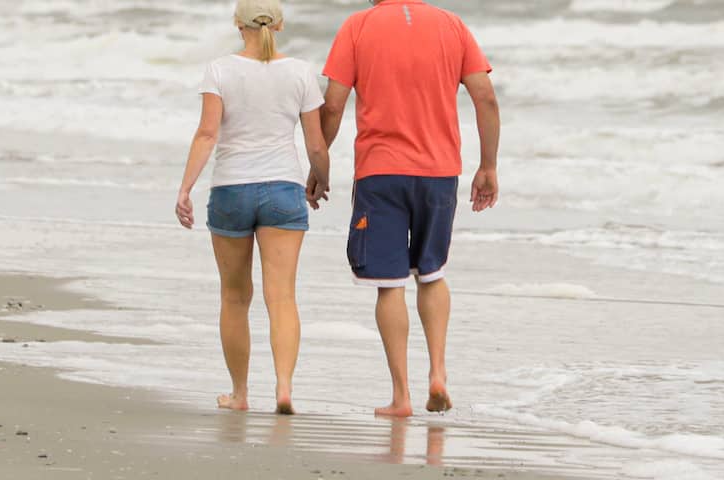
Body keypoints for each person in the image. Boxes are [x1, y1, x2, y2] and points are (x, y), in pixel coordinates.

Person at [318, 0, 501, 418]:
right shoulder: (452, 25)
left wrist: (319, 160)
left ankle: (401, 396)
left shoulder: (358, 25)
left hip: (380, 173)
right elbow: (485, 98)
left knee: (390, 283)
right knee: (432, 273)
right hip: (439, 172)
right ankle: (438, 372)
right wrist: (488, 165)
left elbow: (332, 104)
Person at [173, 0, 331, 416]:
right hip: (283, 189)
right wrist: (321, 180)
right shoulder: (299, 71)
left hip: (230, 191)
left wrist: (185, 189)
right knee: (282, 298)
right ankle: (283, 388)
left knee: (234, 297)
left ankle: (240, 394)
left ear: (236, 24)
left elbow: (207, 134)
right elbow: (316, 144)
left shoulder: (220, 69)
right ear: (278, 24)